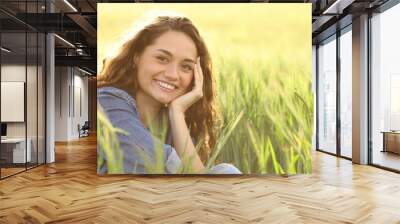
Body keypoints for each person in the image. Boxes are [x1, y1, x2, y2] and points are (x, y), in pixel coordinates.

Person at [97, 12, 241, 174]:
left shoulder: (172, 124)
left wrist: (177, 112)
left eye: (186, 67)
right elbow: (192, 177)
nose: (173, 74)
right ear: (136, 57)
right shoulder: (106, 103)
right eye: (162, 58)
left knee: (225, 171)